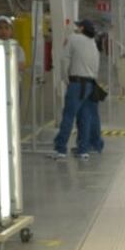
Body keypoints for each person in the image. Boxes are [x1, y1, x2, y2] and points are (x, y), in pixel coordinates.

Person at [51, 19, 100, 161]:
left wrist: (65, 78)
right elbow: (96, 66)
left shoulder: (73, 38)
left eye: (77, 26)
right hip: (90, 84)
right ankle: (83, 150)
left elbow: (64, 60)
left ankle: (61, 149)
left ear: (82, 28)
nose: (75, 28)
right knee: (85, 118)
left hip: (77, 84)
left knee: (68, 116)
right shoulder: (93, 43)